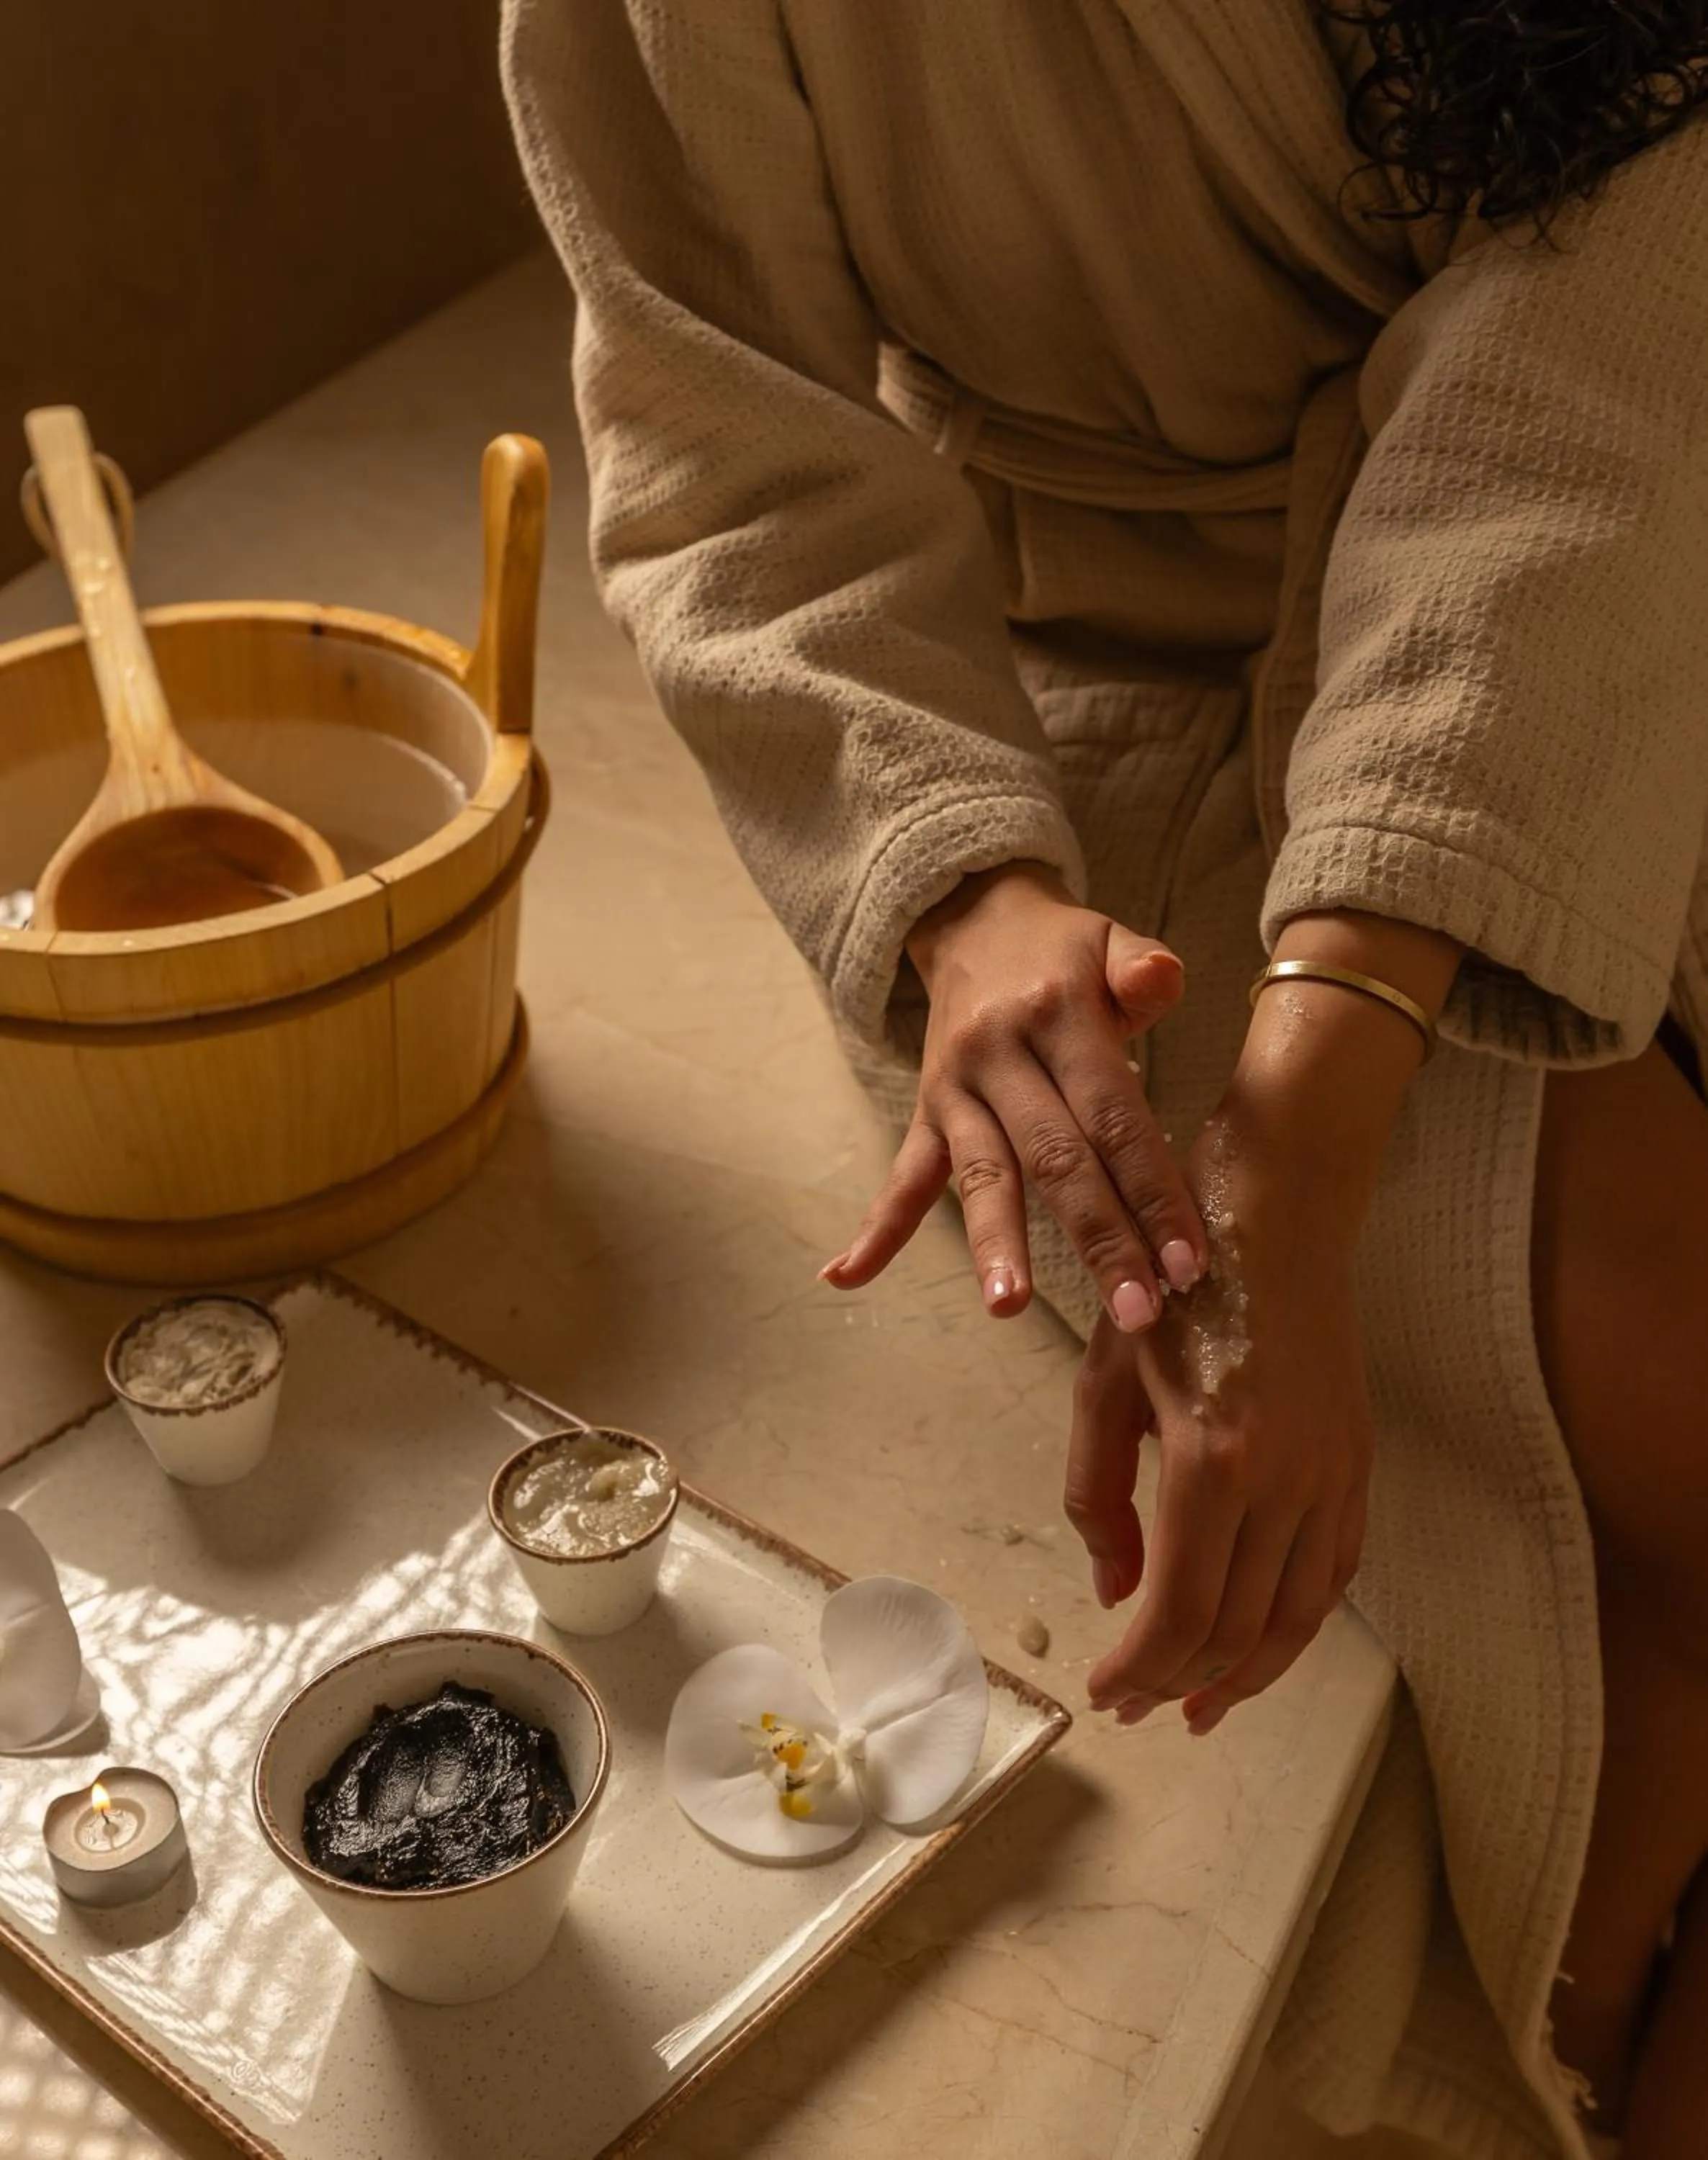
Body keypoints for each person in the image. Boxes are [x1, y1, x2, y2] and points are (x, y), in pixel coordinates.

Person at [500, 4, 1708, 2154]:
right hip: (1110, 693)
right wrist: (963, 895)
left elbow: (1599, 350)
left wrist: (1313, 1126)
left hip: (1622, 543)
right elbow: (726, 448)